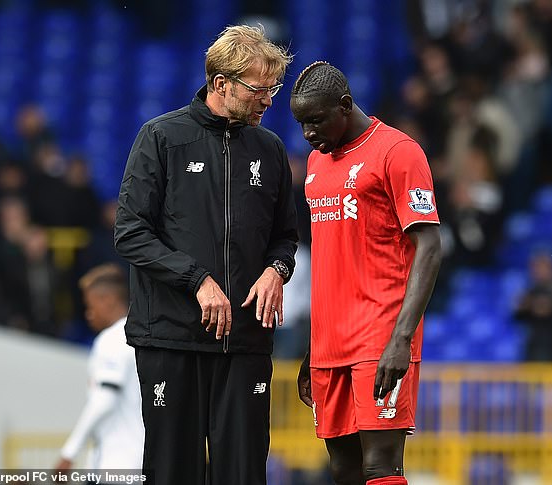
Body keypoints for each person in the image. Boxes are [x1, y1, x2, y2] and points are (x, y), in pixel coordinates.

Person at [114, 25, 298, 485]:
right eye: (259, 89)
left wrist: (278, 270)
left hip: (246, 342)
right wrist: (197, 279)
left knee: (245, 472)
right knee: (174, 471)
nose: (268, 99)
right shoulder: (161, 137)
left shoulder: (271, 149)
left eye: (272, 88)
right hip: (171, 339)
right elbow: (130, 232)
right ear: (221, 85)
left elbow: (286, 237)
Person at [290, 62, 442, 485]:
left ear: (345, 105)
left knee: (380, 465)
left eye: (316, 120)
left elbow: (429, 247)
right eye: (301, 123)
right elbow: (333, 257)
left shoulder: (397, 151)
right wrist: (312, 346)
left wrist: (401, 338)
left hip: (380, 333)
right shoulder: (317, 164)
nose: (307, 133)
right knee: (343, 468)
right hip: (328, 341)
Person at [54, 264, 144, 475]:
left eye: (90, 305)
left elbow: (104, 400)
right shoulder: (138, 334)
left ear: (108, 300)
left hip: (115, 463)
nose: (88, 314)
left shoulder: (112, 339)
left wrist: (69, 453)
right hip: (139, 460)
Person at [513, 247, 552, 361]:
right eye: (536, 267)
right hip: (534, 348)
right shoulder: (532, 290)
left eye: (542, 267)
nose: (538, 271)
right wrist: (523, 307)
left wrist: (547, 308)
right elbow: (517, 317)